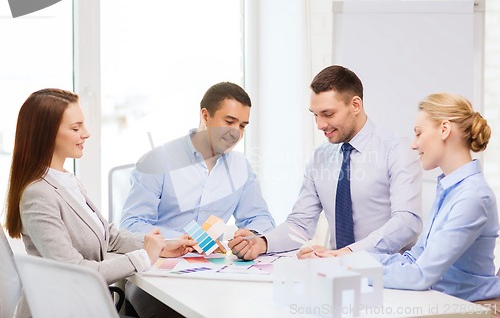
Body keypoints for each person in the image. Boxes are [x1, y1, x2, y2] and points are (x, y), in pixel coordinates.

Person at [4, 88, 195, 318]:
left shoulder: (66, 180)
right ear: (47, 134)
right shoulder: (38, 194)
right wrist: (143, 256)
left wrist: (161, 246)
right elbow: (75, 270)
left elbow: (109, 235)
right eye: (76, 128)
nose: (86, 134)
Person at [229, 65, 423, 260]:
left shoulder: (397, 150)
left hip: (389, 274)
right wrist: (261, 243)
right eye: (315, 115)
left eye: (328, 114)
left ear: (355, 105)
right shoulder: (321, 157)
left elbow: (407, 223)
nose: (320, 125)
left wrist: (348, 254)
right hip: (335, 270)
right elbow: (300, 225)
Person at [368, 93, 499, 302]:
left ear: (444, 130)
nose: (413, 144)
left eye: (418, 134)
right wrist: (354, 260)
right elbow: (415, 258)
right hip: (447, 303)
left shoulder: (473, 197)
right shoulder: (449, 189)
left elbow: (421, 275)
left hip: (476, 309)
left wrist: (356, 271)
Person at [120, 82, 275, 238]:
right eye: (229, 122)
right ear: (206, 116)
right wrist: (177, 239)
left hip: (213, 261)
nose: (236, 133)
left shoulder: (241, 166)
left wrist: (252, 235)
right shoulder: (158, 161)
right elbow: (131, 225)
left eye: (242, 126)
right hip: (163, 258)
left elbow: (261, 219)